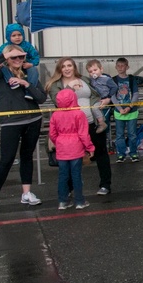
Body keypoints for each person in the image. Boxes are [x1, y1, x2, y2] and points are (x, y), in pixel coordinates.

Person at [0, 45, 47, 212]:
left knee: (27, 157)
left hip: (33, 120)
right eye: (14, 57)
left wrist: (25, 84)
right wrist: (4, 55)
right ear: (7, 58)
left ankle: (26, 193)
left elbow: (41, 98)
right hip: (11, 122)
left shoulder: (30, 74)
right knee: (6, 159)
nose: (18, 60)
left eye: (21, 57)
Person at [46, 58, 112, 196]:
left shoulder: (86, 79)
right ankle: (69, 188)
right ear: (59, 69)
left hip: (92, 122)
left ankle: (105, 184)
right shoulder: (55, 85)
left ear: (74, 67)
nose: (67, 68)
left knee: (101, 153)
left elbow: (101, 90)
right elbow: (58, 101)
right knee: (71, 158)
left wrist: (107, 98)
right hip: (71, 128)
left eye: (69, 65)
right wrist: (70, 87)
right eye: (63, 66)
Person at [50, 88, 95, 210]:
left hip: (62, 148)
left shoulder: (55, 114)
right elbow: (83, 134)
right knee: (76, 175)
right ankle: (79, 201)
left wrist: (58, 142)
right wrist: (90, 147)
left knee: (63, 176)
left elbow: (52, 134)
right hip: (76, 147)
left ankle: (62, 201)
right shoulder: (79, 113)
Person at [112, 58, 142, 163]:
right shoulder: (113, 80)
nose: (120, 68)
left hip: (132, 111)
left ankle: (133, 152)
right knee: (119, 134)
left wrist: (129, 107)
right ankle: (121, 154)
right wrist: (119, 108)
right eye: (118, 66)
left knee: (132, 134)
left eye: (122, 65)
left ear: (127, 67)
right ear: (115, 67)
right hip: (118, 111)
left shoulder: (131, 79)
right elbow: (112, 95)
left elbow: (135, 94)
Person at [85, 59, 117, 136]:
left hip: (105, 99)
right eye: (90, 71)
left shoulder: (106, 79)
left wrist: (109, 97)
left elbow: (115, 87)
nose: (93, 72)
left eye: (95, 70)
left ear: (101, 69)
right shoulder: (91, 80)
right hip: (97, 99)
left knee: (95, 108)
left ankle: (102, 123)